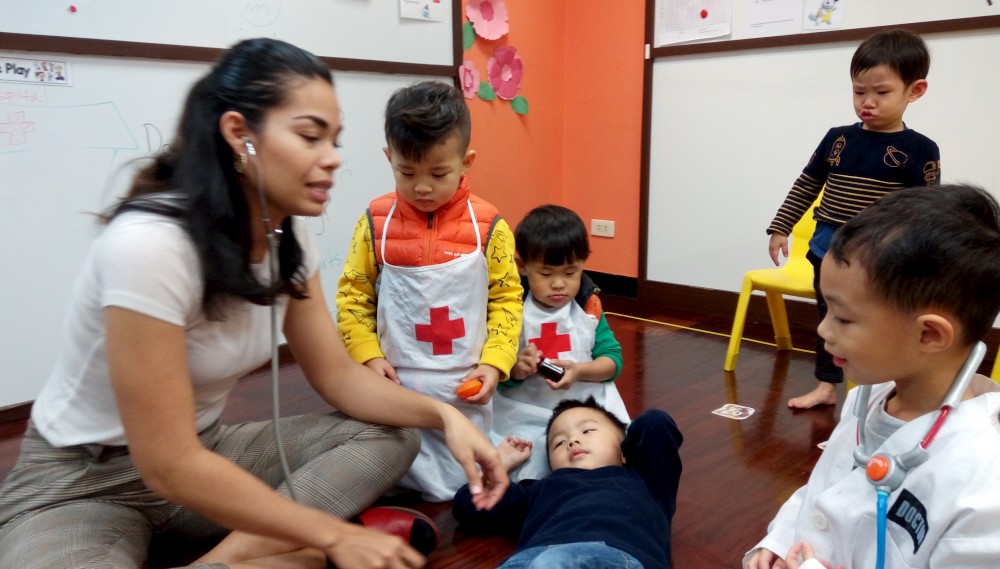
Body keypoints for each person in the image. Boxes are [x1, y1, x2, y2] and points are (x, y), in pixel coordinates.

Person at [0, 39, 508, 569]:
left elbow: (338, 377)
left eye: (334, 140)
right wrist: (332, 536)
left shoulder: (288, 236)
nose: (333, 158)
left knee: (394, 435)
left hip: (206, 454)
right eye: (310, 136)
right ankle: (296, 556)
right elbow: (166, 464)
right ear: (239, 134)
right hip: (82, 484)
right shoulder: (149, 245)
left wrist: (444, 417)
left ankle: (225, 561)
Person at [744, 184, 1000, 569]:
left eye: (843, 318)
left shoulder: (983, 479)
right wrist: (781, 540)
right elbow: (826, 491)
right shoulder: (868, 400)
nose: (823, 330)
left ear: (929, 335)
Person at [336, 80, 522, 501]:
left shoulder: (489, 226)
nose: (422, 188)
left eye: (438, 174)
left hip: (464, 381)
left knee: (463, 479)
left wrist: (494, 363)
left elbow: (507, 300)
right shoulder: (375, 223)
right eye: (406, 172)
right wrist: (368, 354)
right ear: (389, 158)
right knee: (388, 469)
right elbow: (354, 296)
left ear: (465, 162)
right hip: (395, 381)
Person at [765, 29, 941, 410]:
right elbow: (807, 184)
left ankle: (881, 393)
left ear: (915, 91)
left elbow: (925, 210)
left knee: (880, 323)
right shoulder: (838, 139)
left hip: (881, 257)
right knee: (830, 321)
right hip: (827, 250)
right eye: (859, 91)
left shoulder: (921, 150)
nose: (867, 102)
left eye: (881, 92)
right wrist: (781, 226)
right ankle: (826, 387)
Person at [454, 396, 683, 569]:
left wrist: (629, 448)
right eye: (559, 443)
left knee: (553, 562)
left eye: (587, 430)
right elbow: (468, 505)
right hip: (531, 557)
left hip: (615, 554)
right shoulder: (537, 490)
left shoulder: (647, 479)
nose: (572, 440)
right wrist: (498, 465)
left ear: (624, 450)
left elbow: (656, 423)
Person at [491, 204, 629, 481]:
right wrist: (515, 370)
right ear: (522, 266)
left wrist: (579, 371)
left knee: (616, 454)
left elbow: (612, 362)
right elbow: (497, 372)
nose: (558, 284)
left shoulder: (588, 307)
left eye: (570, 273)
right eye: (546, 274)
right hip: (527, 411)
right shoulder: (510, 309)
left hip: (588, 410)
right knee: (529, 468)